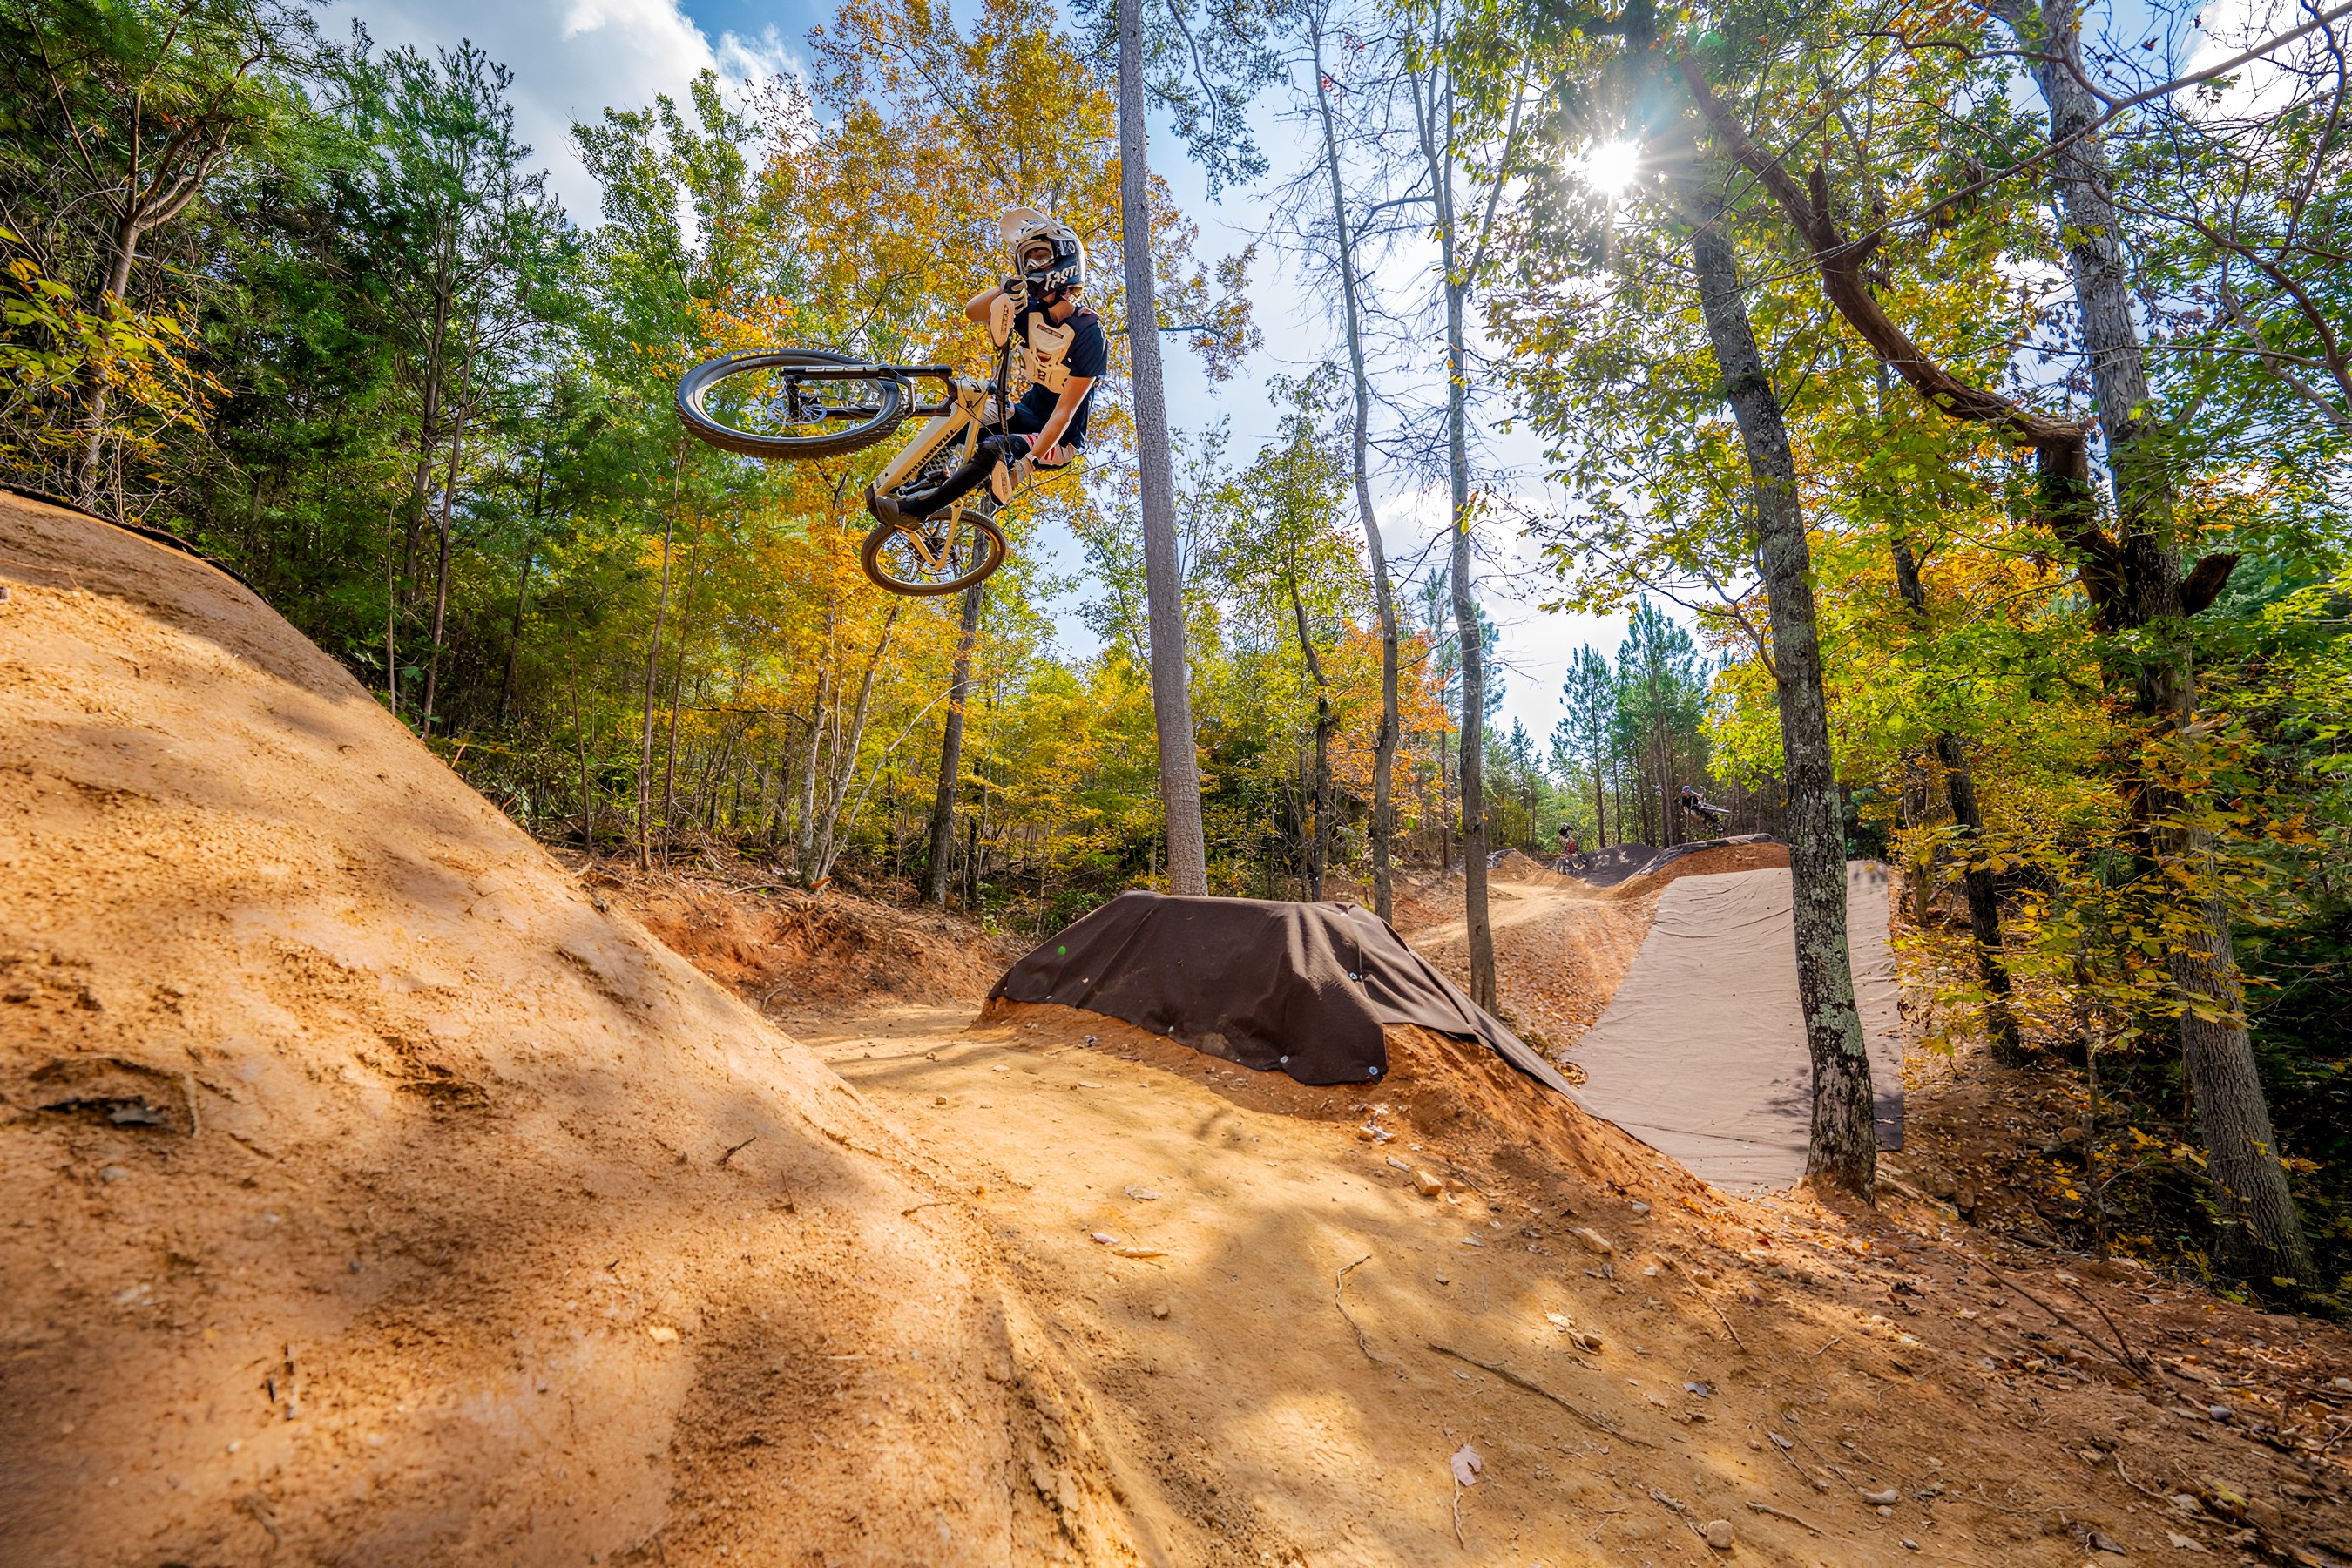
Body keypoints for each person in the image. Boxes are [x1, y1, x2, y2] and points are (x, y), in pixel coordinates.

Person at [867, 207, 1105, 528]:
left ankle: (917, 511)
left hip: (1060, 439)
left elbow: (1064, 413)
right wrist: (1006, 290)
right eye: (1027, 261)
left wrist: (1029, 463)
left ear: (1065, 259)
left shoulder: (1089, 332)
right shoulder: (1029, 310)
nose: (1033, 267)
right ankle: (923, 475)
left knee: (993, 448)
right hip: (1027, 412)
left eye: (1040, 257)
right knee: (967, 409)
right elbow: (972, 312)